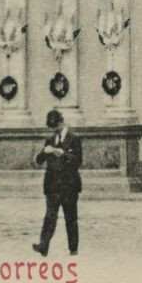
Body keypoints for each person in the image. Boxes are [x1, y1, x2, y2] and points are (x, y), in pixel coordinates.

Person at [32, 109, 82, 257]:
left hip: (69, 186)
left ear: (62, 122)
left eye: (55, 126)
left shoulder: (74, 139)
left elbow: (78, 160)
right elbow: (39, 161)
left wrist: (63, 154)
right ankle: (43, 246)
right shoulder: (50, 140)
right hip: (52, 186)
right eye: (51, 128)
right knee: (49, 217)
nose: (53, 130)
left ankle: (73, 248)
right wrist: (44, 152)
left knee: (70, 217)